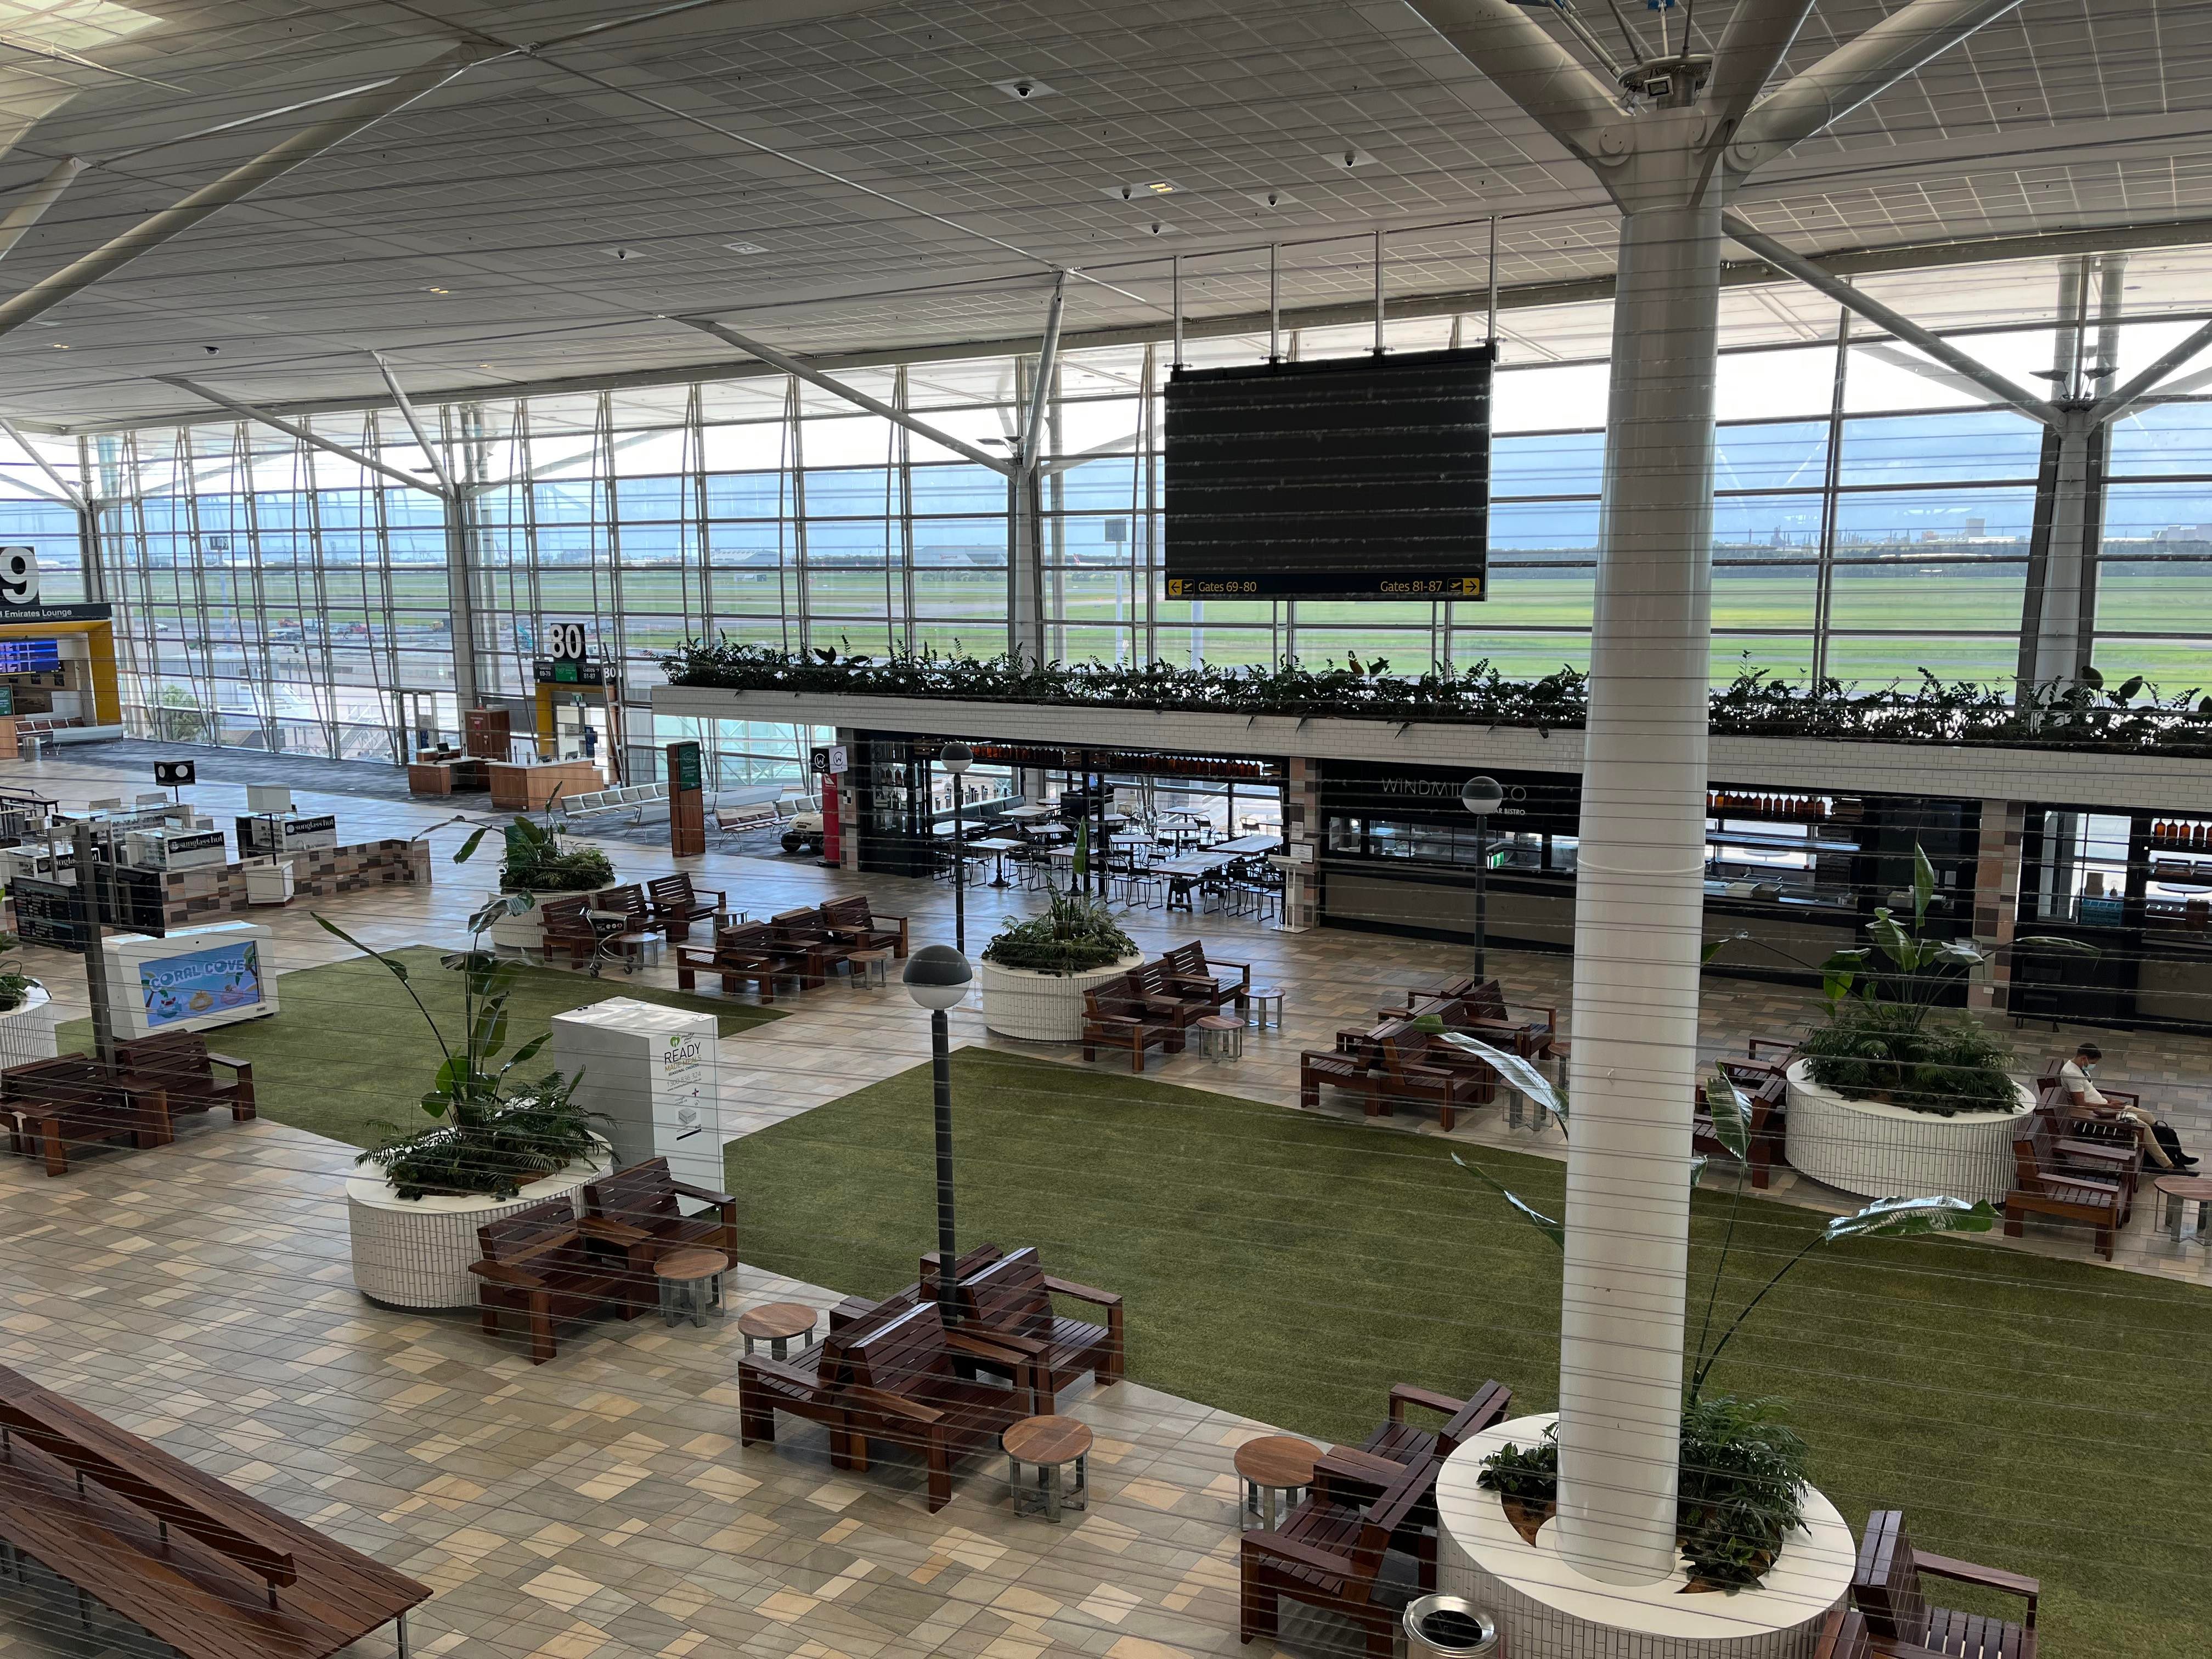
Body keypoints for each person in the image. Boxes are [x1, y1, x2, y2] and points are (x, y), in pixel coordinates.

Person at [2058, 1043, 2197, 1170]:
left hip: (2107, 1106)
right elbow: (2080, 1105)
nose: (2093, 1066)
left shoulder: (2079, 1068)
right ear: (2084, 1059)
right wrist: (2109, 1106)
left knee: (2148, 1116)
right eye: (2093, 1063)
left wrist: (2110, 1100)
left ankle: (2174, 1153)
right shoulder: (2073, 1075)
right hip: (2100, 1112)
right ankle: (2168, 1165)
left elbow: (2091, 1092)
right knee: (2144, 1128)